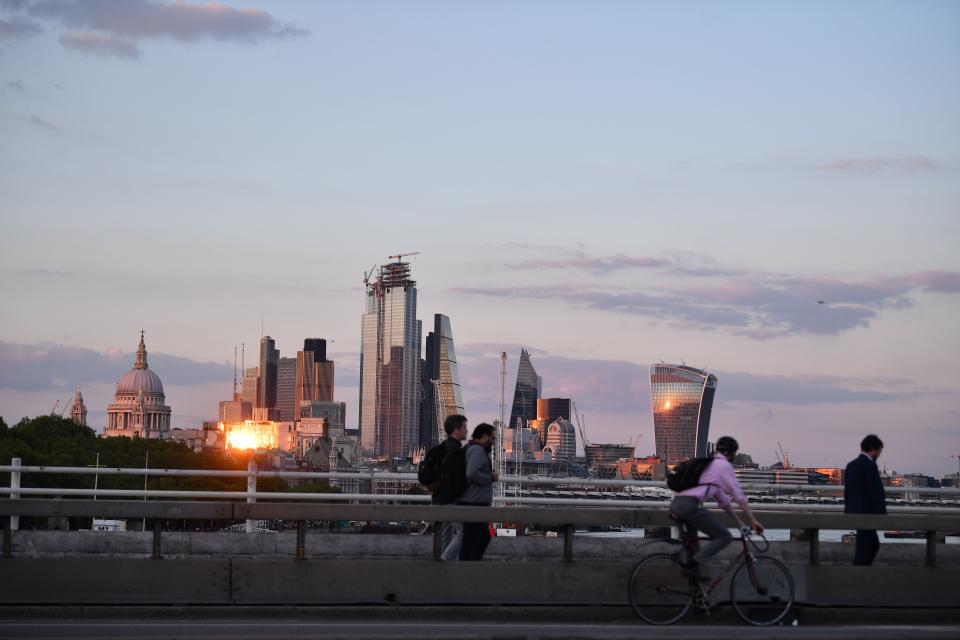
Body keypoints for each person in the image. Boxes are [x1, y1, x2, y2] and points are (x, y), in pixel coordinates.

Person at [670, 436, 763, 580]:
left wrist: (740, 524)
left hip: (678, 504)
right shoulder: (723, 466)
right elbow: (738, 496)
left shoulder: (712, 467)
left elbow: (724, 502)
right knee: (724, 536)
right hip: (689, 506)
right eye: (734, 453)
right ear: (731, 453)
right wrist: (753, 521)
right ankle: (688, 568)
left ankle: (695, 588)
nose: (734, 456)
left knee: (693, 545)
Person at [844, 434, 886, 566]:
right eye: (879, 450)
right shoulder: (870, 465)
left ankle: (858, 571)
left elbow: (848, 491)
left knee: (865, 544)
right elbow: (875, 492)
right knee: (871, 545)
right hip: (867, 513)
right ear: (873, 449)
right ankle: (858, 574)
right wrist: (882, 514)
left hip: (853, 511)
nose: (879, 454)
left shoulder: (851, 465)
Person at [458, 423, 498, 561]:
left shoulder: (471, 448)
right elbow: (471, 473)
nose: (493, 442)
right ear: (484, 436)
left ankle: (469, 567)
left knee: (479, 539)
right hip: (474, 503)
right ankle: (466, 570)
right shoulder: (477, 450)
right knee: (474, 540)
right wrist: (489, 477)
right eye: (492, 438)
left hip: (474, 503)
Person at [431, 414, 469, 561]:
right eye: (464, 427)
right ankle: (445, 562)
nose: (466, 431)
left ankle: (444, 571)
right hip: (450, 500)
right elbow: (455, 478)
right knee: (464, 533)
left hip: (438, 498)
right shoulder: (456, 450)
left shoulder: (441, 447)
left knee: (446, 537)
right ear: (456, 429)